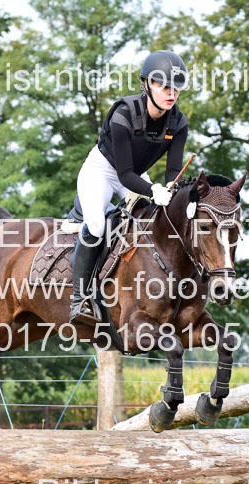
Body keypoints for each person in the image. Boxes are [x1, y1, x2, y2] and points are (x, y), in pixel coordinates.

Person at [69, 49, 190, 323]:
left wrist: (171, 187)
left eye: (176, 87)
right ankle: (80, 299)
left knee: (152, 218)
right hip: (102, 171)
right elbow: (123, 174)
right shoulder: (123, 114)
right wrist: (153, 190)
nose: (171, 93)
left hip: (136, 174)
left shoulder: (178, 122)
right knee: (97, 226)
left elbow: (173, 170)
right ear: (146, 85)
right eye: (163, 86)